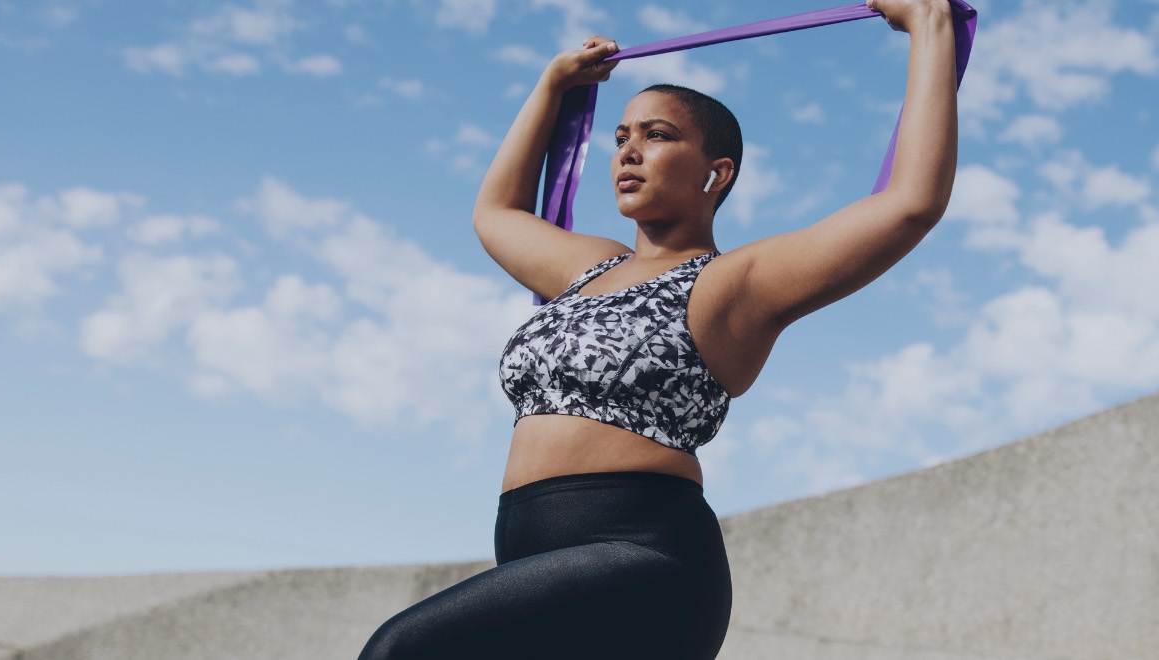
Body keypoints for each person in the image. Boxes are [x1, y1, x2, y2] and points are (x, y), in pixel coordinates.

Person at [358, 0, 958, 657]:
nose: (629, 152)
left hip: (645, 559)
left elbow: (910, 203)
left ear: (715, 172)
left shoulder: (729, 285)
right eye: (620, 137)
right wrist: (553, 85)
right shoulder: (589, 268)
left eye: (658, 135)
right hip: (536, 559)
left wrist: (929, 23)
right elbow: (495, 213)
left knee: (400, 649)